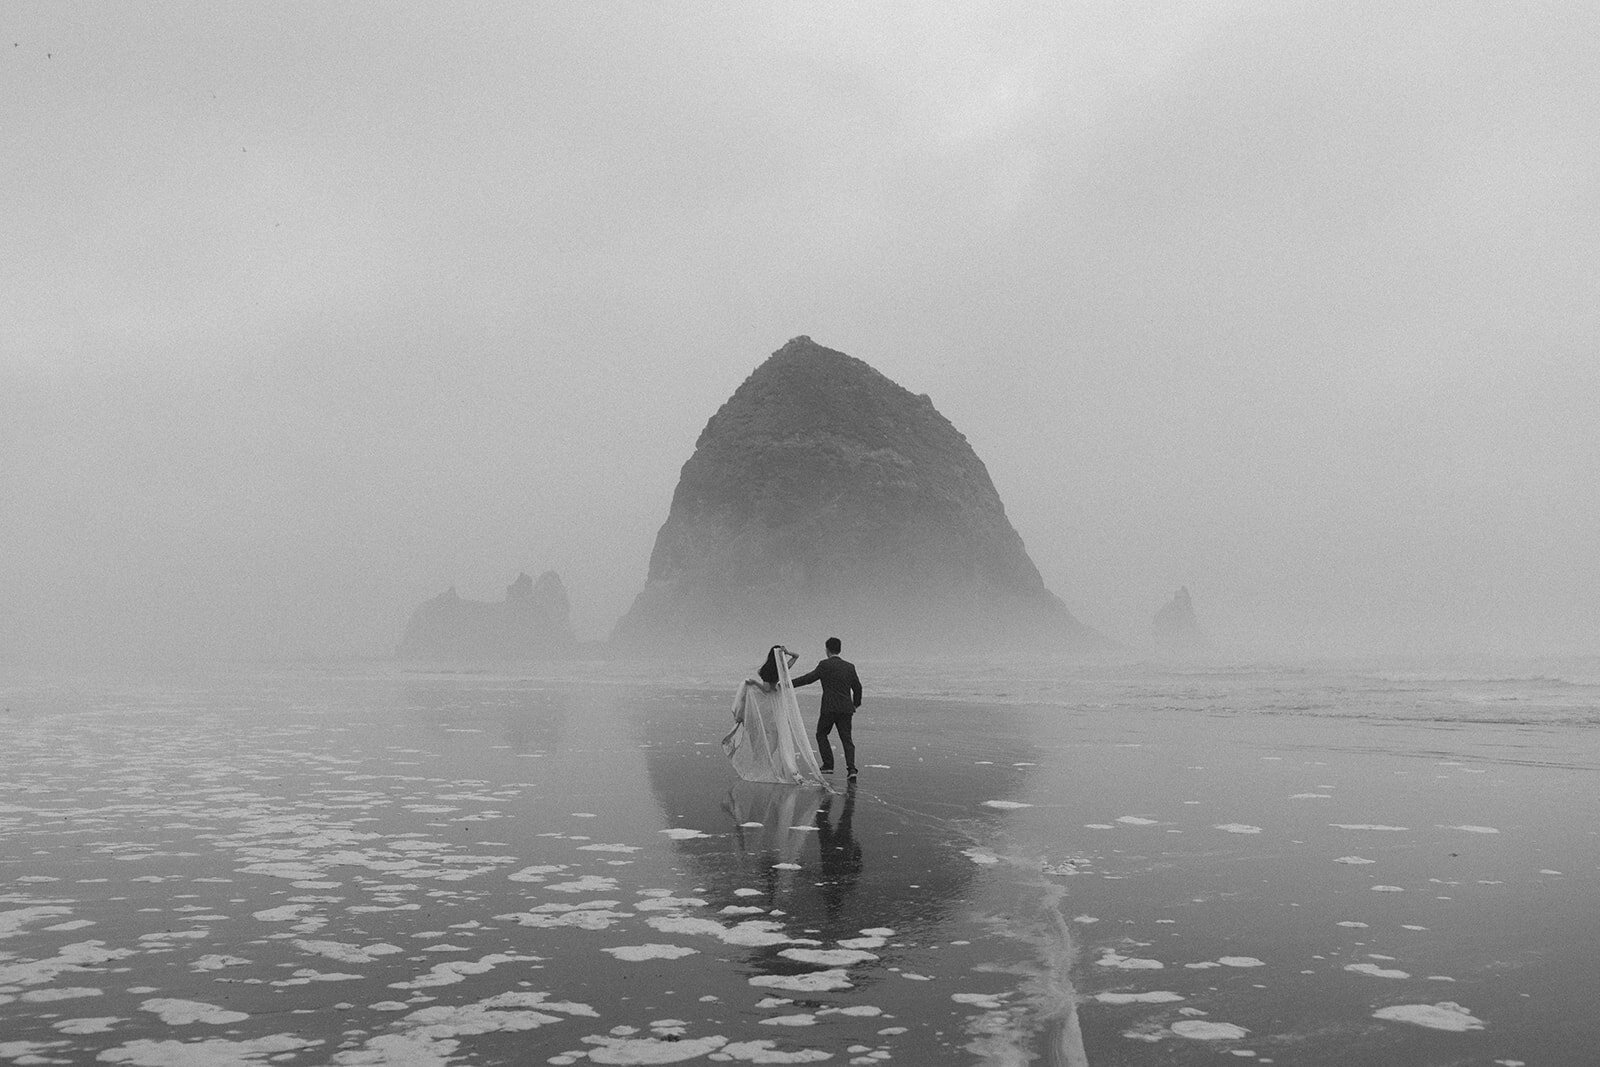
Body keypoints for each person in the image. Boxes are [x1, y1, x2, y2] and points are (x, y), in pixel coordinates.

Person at [722, 645, 829, 787]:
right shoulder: (781, 669)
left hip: (770, 703)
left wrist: (754, 683)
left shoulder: (769, 669)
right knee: (775, 732)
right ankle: (766, 758)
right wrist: (788, 653)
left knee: (769, 731)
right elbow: (795, 657)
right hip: (775, 703)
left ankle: (764, 758)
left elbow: (766, 689)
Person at [790, 637, 863, 778]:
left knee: (821, 734)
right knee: (846, 739)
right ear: (839, 649)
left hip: (829, 708)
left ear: (827, 650)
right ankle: (852, 770)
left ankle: (828, 765)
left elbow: (808, 679)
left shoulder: (824, 665)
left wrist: (788, 684)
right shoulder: (849, 666)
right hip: (846, 709)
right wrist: (855, 703)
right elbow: (857, 687)